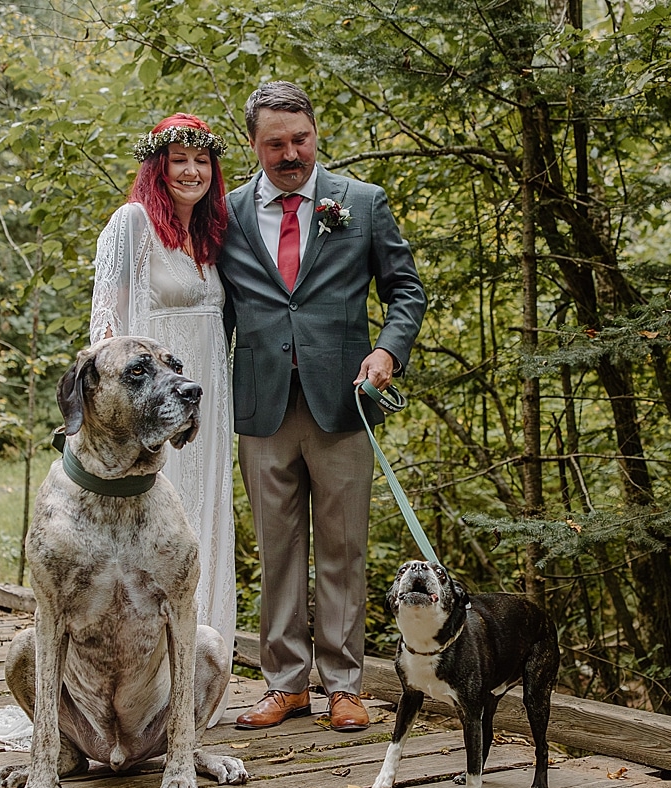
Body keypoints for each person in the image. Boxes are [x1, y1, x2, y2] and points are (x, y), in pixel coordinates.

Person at [219, 82, 426, 732]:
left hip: (344, 403)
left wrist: (388, 353)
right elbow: (212, 310)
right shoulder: (224, 215)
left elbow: (407, 291)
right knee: (276, 550)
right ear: (253, 144)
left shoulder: (361, 203)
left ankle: (343, 684)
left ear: (316, 133)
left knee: (343, 548)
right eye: (275, 143)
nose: (290, 154)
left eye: (300, 140)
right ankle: (284, 683)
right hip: (261, 406)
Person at [89, 113, 236, 661]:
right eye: (179, 161)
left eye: (202, 162)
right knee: (155, 519)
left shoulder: (207, 235)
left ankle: (199, 663)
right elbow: (106, 329)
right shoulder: (132, 223)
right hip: (152, 401)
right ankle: (138, 669)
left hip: (206, 399)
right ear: (159, 166)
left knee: (200, 517)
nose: (192, 171)